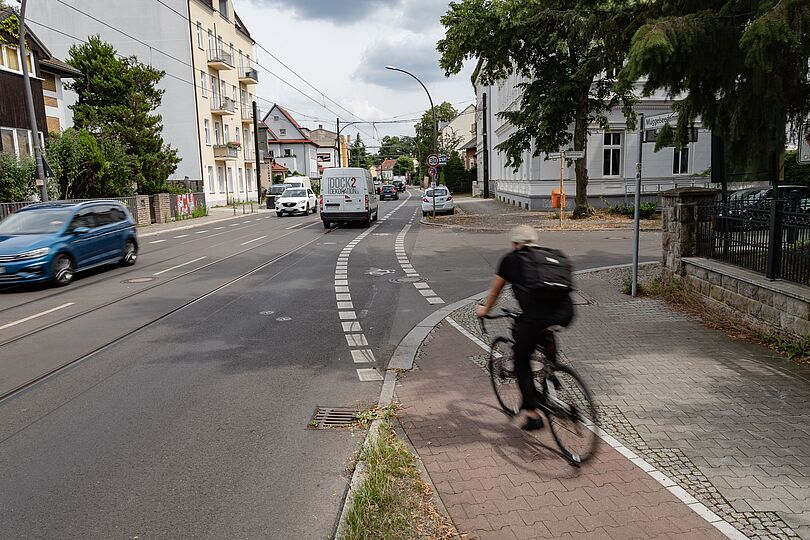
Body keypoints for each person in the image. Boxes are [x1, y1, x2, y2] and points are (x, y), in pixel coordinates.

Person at [476, 225, 573, 431]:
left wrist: (484, 310)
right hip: (565, 312)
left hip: (536, 316)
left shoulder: (511, 260)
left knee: (521, 358)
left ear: (514, 244)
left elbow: (494, 292)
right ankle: (552, 373)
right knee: (545, 331)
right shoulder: (552, 256)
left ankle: (532, 413)